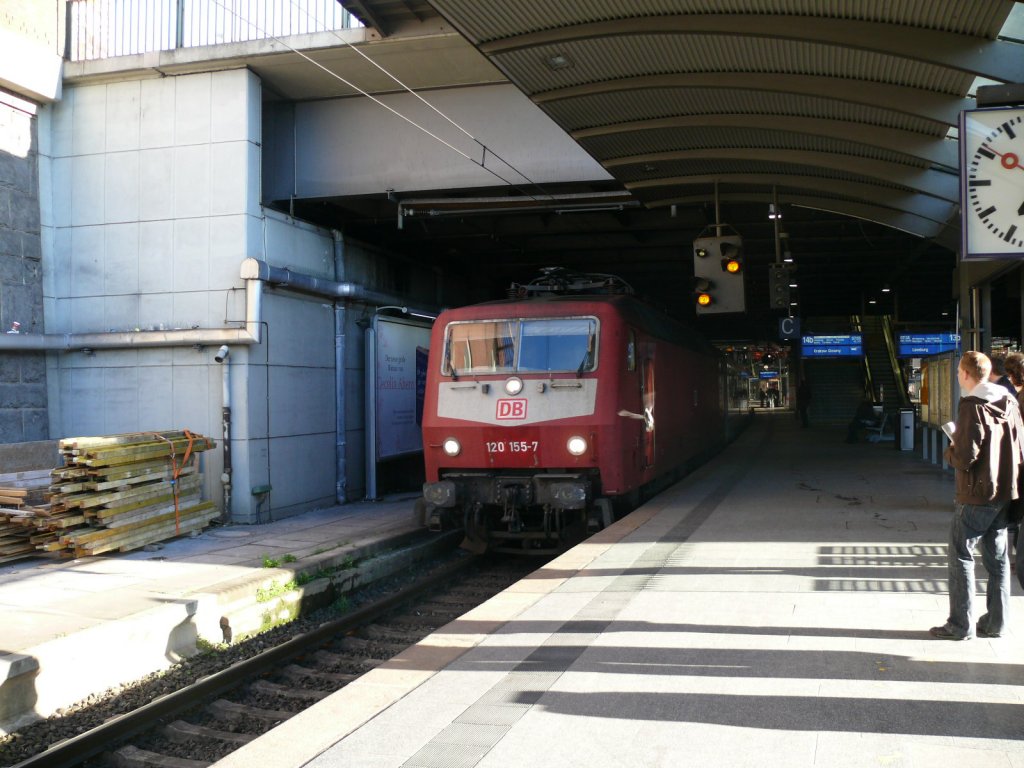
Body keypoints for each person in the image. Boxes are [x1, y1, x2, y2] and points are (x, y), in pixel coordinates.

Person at [931, 351, 1024, 640]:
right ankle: (996, 622)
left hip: (977, 493)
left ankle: (960, 625)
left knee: (960, 554)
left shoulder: (972, 405)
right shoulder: (1009, 401)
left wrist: (950, 449)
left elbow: (965, 457)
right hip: (1005, 490)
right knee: (997, 560)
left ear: (967, 374)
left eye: (959, 372)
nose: (958, 376)